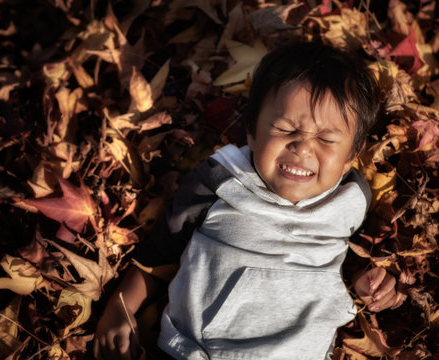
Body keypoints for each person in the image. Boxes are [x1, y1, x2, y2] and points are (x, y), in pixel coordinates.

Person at [94, 42, 400, 360]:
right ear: (252, 131)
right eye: (286, 128)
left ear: (351, 154)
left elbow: (351, 262)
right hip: (194, 352)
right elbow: (161, 254)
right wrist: (121, 307)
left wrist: (370, 281)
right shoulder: (220, 182)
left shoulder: (352, 198)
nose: (303, 148)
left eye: (325, 139)